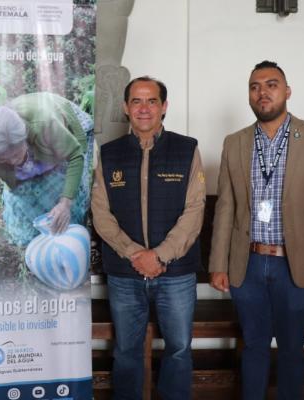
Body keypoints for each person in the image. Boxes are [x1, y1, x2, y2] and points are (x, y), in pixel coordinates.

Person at [209, 60, 304, 399]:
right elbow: (226, 207)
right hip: (249, 263)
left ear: (287, 91)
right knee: (253, 346)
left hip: (295, 267)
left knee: (291, 349)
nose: (262, 92)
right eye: (254, 86)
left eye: (271, 84)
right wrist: (218, 264)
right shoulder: (234, 143)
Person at [91, 76, 206, 400]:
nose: (144, 108)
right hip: (125, 275)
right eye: (137, 101)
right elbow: (101, 214)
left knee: (179, 349)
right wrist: (134, 254)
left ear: (164, 107)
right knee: (126, 350)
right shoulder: (109, 153)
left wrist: (160, 255)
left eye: (152, 101)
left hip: (176, 274)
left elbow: (195, 209)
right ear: (126, 108)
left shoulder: (187, 149)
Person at [0, 92, 93, 255]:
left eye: (17, 153)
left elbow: (75, 156)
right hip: (37, 140)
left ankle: (71, 238)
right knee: (23, 205)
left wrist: (65, 203)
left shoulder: (44, 123)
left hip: (61, 127)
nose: (13, 161)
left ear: (24, 136)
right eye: (5, 158)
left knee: (70, 194)